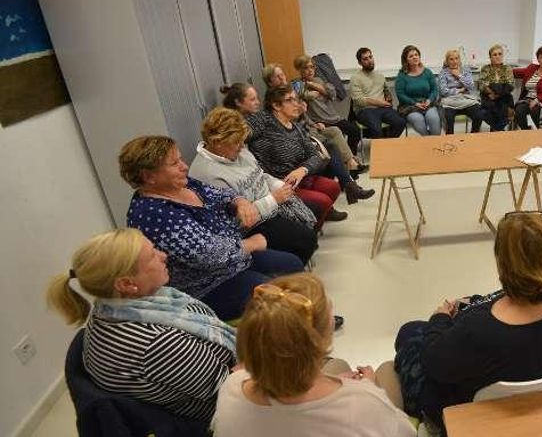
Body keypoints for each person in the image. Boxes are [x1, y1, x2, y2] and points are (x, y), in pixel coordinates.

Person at [386, 212, 542, 431]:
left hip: (467, 407)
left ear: (504, 265)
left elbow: (433, 362)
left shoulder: (482, 330)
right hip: (539, 381)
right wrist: (476, 303)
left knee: (409, 331)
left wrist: (440, 316)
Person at [47, 228, 236, 421]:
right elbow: (230, 388)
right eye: (152, 256)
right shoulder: (156, 343)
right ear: (127, 284)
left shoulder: (108, 308)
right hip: (219, 410)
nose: (163, 255)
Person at [120, 135, 305, 321]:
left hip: (235, 260)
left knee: (292, 264)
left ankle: (306, 316)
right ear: (148, 176)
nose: (184, 166)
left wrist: (239, 201)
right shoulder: (153, 215)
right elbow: (211, 255)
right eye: (174, 163)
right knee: (273, 296)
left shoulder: (184, 184)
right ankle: (294, 331)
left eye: (180, 159)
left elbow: (220, 193)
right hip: (209, 283)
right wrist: (253, 243)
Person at [213, 274, 415, 437]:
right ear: (321, 341)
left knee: (338, 365)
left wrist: (335, 385)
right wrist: (367, 389)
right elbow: (407, 432)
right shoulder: (362, 405)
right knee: (387, 369)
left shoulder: (231, 388)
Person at [189, 107, 319, 265]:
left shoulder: (238, 151)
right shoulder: (207, 174)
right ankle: (289, 274)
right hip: (253, 225)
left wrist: (277, 184)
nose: (242, 146)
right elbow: (238, 220)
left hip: (270, 206)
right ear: (217, 142)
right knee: (305, 239)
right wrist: (273, 199)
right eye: (237, 142)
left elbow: (260, 174)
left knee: (314, 211)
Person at [249, 86, 374, 212]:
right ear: (276, 105)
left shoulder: (295, 126)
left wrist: (302, 170)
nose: (296, 104)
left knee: (333, 186)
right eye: (289, 100)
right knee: (323, 199)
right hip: (280, 183)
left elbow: (314, 155)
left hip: (301, 176)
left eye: (295, 99)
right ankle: (345, 190)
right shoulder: (263, 120)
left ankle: (336, 200)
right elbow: (240, 131)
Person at [262, 63, 365, 174]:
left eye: (282, 74)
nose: (282, 77)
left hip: (310, 126)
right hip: (299, 134)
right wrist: (301, 112)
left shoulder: (292, 90)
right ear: (270, 82)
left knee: (335, 131)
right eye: (277, 76)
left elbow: (307, 113)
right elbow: (286, 123)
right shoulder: (275, 99)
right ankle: (349, 168)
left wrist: (313, 124)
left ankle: (350, 163)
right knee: (331, 145)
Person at [293, 54, 364, 162]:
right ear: (300, 69)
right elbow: (302, 96)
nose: (310, 70)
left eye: (312, 67)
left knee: (355, 131)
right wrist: (314, 92)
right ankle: (349, 161)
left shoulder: (319, 80)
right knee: (335, 137)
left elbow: (332, 94)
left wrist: (314, 86)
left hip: (333, 118)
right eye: (306, 68)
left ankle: (351, 157)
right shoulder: (297, 84)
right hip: (319, 121)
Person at [350, 47, 407, 139]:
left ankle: (387, 144)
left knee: (401, 122)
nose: (370, 61)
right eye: (365, 59)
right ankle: (381, 149)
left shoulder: (380, 76)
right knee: (376, 129)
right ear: (360, 63)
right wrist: (380, 103)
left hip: (383, 109)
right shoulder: (355, 78)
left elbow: (386, 91)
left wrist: (388, 97)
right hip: (365, 110)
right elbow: (359, 101)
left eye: (370, 57)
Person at [512, 45, 542, 130]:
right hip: (528, 99)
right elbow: (518, 72)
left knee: (535, 109)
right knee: (519, 110)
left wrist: (537, 100)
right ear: (538, 58)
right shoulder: (532, 68)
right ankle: (526, 130)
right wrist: (504, 70)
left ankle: (541, 132)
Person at [395, 45, 441, 136]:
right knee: (418, 120)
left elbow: (434, 90)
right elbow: (400, 94)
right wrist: (415, 103)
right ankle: (430, 142)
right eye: (411, 56)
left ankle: (435, 142)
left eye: (416, 54)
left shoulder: (427, 72)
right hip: (410, 106)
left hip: (428, 104)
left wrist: (429, 100)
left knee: (433, 119)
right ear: (406, 60)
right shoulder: (402, 75)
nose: (414, 57)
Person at [438, 49, 484, 134]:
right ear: (447, 61)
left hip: (465, 100)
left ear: (459, 59)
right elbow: (443, 91)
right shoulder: (443, 73)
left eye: (456, 58)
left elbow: (470, 86)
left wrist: (459, 75)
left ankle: (473, 138)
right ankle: (451, 141)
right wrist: (460, 90)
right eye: (451, 59)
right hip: (450, 102)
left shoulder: (466, 70)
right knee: (448, 118)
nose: (454, 61)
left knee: (479, 114)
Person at [479, 44, 515, 131]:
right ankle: (499, 130)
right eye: (495, 55)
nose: (497, 56)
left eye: (500, 54)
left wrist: (496, 95)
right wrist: (491, 92)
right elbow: (482, 84)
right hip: (489, 98)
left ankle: (495, 130)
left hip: (504, 98)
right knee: (484, 112)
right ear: (490, 57)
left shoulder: (507, 68)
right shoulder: (485, 69)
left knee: (506, 110)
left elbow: (511, 85)